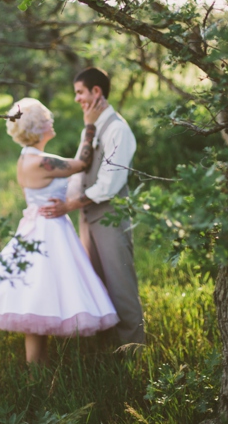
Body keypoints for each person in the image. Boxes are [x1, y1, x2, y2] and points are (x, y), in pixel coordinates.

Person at [0, 97, 118, 364]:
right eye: (46, 119)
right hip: (48, 230)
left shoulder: (27, 158)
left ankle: (38, 368)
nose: (51, 121)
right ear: (36, 128)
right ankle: (37, 370)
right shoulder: (40, 162)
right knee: (41, 293)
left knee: (38, 295)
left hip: (38, 226)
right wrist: (89, 125)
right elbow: (80, 163)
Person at [39, 67, 145, 345]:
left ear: (96, 92)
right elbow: (79, 172)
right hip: (87, 216)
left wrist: (70, 205)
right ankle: (106, 346)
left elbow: (109, 184)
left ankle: (133, 349)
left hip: (110, 216)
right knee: (97, 283)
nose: (76, 99)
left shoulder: (118, 129)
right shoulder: (93, 126)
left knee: (120, 284)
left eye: (79, 92)